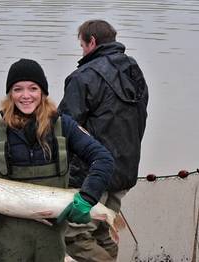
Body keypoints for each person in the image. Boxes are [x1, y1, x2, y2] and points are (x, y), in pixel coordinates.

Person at [0, 58, 115, 262]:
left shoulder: (64, 127)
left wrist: (87, 197)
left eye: (33, 88)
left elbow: (103, 159)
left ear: (42, 92)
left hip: (50, 247)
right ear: (10, 93)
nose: (26, 96)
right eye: (18, 89)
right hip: (5, 248)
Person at [58, 20, 149, 261]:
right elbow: (142, 116)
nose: (82, 51)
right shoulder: (134, 70)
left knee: (73, 236)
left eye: (81, 45)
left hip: (92, 176)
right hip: (125, 171)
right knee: (100, 231)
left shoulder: (82, 77)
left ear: (92, 42)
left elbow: (65, 129)